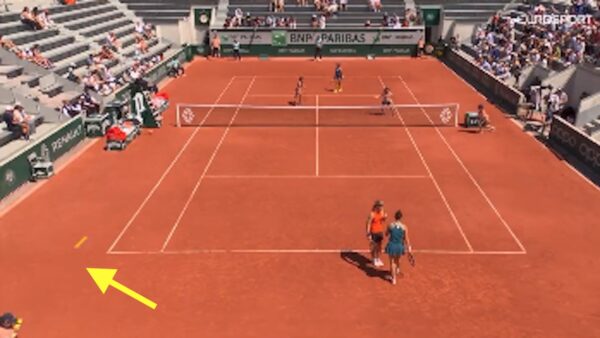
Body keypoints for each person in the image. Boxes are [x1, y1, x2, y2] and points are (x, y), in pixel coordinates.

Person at [385, 210, 410, 285]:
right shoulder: (404, 227)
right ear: (401, 217)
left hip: (392, 246)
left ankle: (394, 279)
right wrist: (409, 247)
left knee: (392, 262)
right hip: (399, 246)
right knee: (397, 260)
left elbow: (386, 234)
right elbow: (406, 238)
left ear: (395, 217)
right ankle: (397, 270)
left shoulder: (390, 225)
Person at [366, 200, 388, 267]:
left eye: (382, 206)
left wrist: (385, 218)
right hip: (373, 232)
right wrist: (368, 233)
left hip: (379, 232)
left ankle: (378, 258)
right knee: (373, 247)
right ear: (377, 206)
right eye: (380, 206)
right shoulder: (372, 214)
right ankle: (374, 259)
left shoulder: (381, 212)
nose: (382, 207)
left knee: (379, 247)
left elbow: (382, 220)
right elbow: (368, 224)